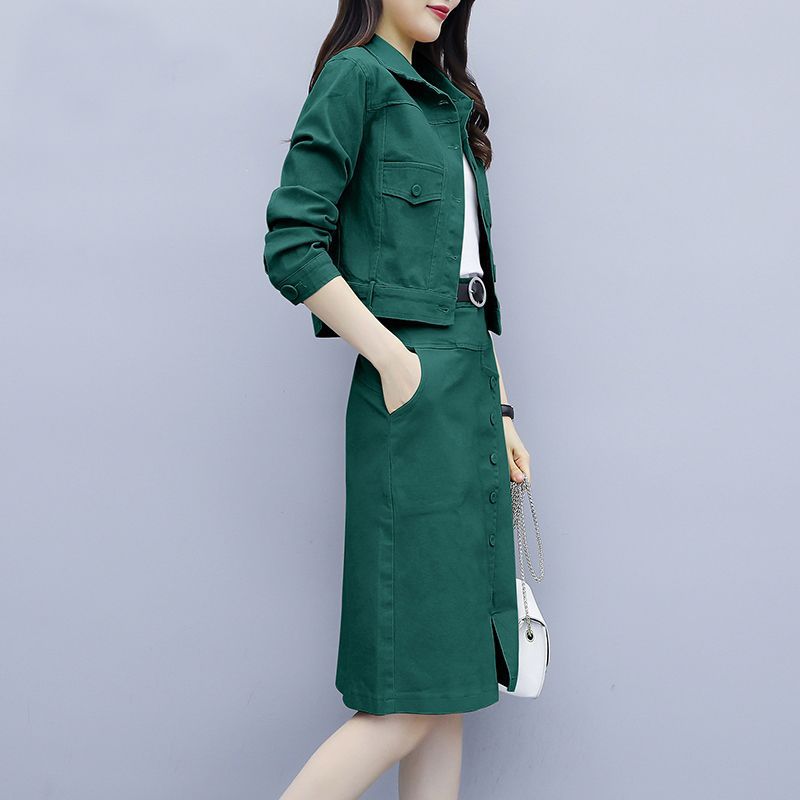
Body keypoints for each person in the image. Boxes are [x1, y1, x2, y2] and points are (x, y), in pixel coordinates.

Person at [262, 2, 532, 797]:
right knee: (410, 702)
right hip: (413, 399)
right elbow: (292, 244)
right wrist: (390, 358)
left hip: (470, 391)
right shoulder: (355, 79)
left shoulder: (446, 100)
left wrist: (502, 409)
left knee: (447, 692)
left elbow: (465, 282)